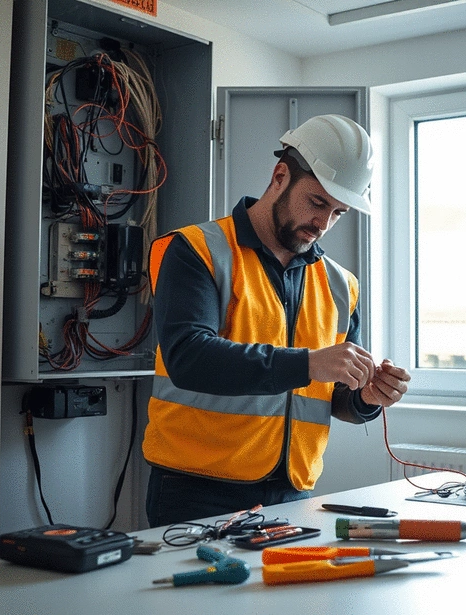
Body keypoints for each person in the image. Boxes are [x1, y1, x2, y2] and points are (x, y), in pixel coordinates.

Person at [142, 114, 411, 527]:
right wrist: (308, 363)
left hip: (291, 493)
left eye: (338, 212)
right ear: (280, 176)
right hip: (195, 491)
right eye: (317, 202)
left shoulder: (342, 285)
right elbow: (188, 357)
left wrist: (366, 399)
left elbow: (333, 397)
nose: (323, 224)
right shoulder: (196, 250)